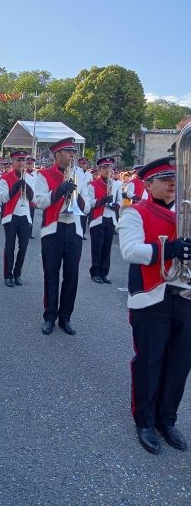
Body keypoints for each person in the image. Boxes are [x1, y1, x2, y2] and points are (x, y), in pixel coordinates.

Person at [117, 156, 191, 455]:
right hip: (151, 297)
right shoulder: (135, 213)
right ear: (147, 184)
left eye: (175, 178)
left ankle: (167, 420)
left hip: (186, 296)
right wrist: (169, 248)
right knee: (150, 361)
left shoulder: (187, 212)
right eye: (164, 179)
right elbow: (129, 251)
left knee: (179, 365)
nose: (172, 183)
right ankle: (145, 421)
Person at [35, 138, 91, 335]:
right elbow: (39, 201)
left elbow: (89, 205)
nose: (72, 155)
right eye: (68, 152)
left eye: (73, 152)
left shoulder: (80, 176)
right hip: (52, 229)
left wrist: (78, 196)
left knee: (72, 275)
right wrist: (60, 189)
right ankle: (50, 316)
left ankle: (65, 317)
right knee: (51, 274)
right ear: (57, 155)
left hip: (73, 229)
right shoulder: (44, 175)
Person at [0, 151, 35, 287]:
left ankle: (17, 273)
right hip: (11, 215)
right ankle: (8, 275)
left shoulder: (31, 177)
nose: (21, 163)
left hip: (25, 216)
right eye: (18, 160)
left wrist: (28, 189)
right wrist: (15, 188)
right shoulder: (5, 178)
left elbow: (34, 199)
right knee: (10, 246)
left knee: (24, 247)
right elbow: (4, 198)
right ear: (13, 162)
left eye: (23, 161)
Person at [88, 157, 122, 284]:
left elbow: (119, 201)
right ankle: (95, 273)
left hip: (111, 218)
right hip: (98, 218)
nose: (108, 170)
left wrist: (115, 205)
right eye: (105, 168)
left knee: (107, 247)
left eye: (110, 167)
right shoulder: (92, 185)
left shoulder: (117, 184)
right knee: (97, 247)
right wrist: (102, 201)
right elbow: (90, 202)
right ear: (99, 169)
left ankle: (104, 273)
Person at [76, 157, 92, 239]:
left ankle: (82, 233)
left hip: (86, 196)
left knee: (84, 217)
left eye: (85, 163)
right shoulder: (75, 172)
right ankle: (77, 232)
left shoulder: (90, 175)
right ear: (79, 164)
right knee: (77, 216)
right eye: (82, 163)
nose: (83, 165)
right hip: (78, 196)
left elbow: (90, 186)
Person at [26, 157, 37, 239]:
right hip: (25, 198)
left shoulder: (36, 174)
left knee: (31, 216)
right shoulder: (23, 173)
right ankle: (24, 232)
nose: (30, 165)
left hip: (33, 199)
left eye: (31, 164)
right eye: (28, 164)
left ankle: (29, 233)